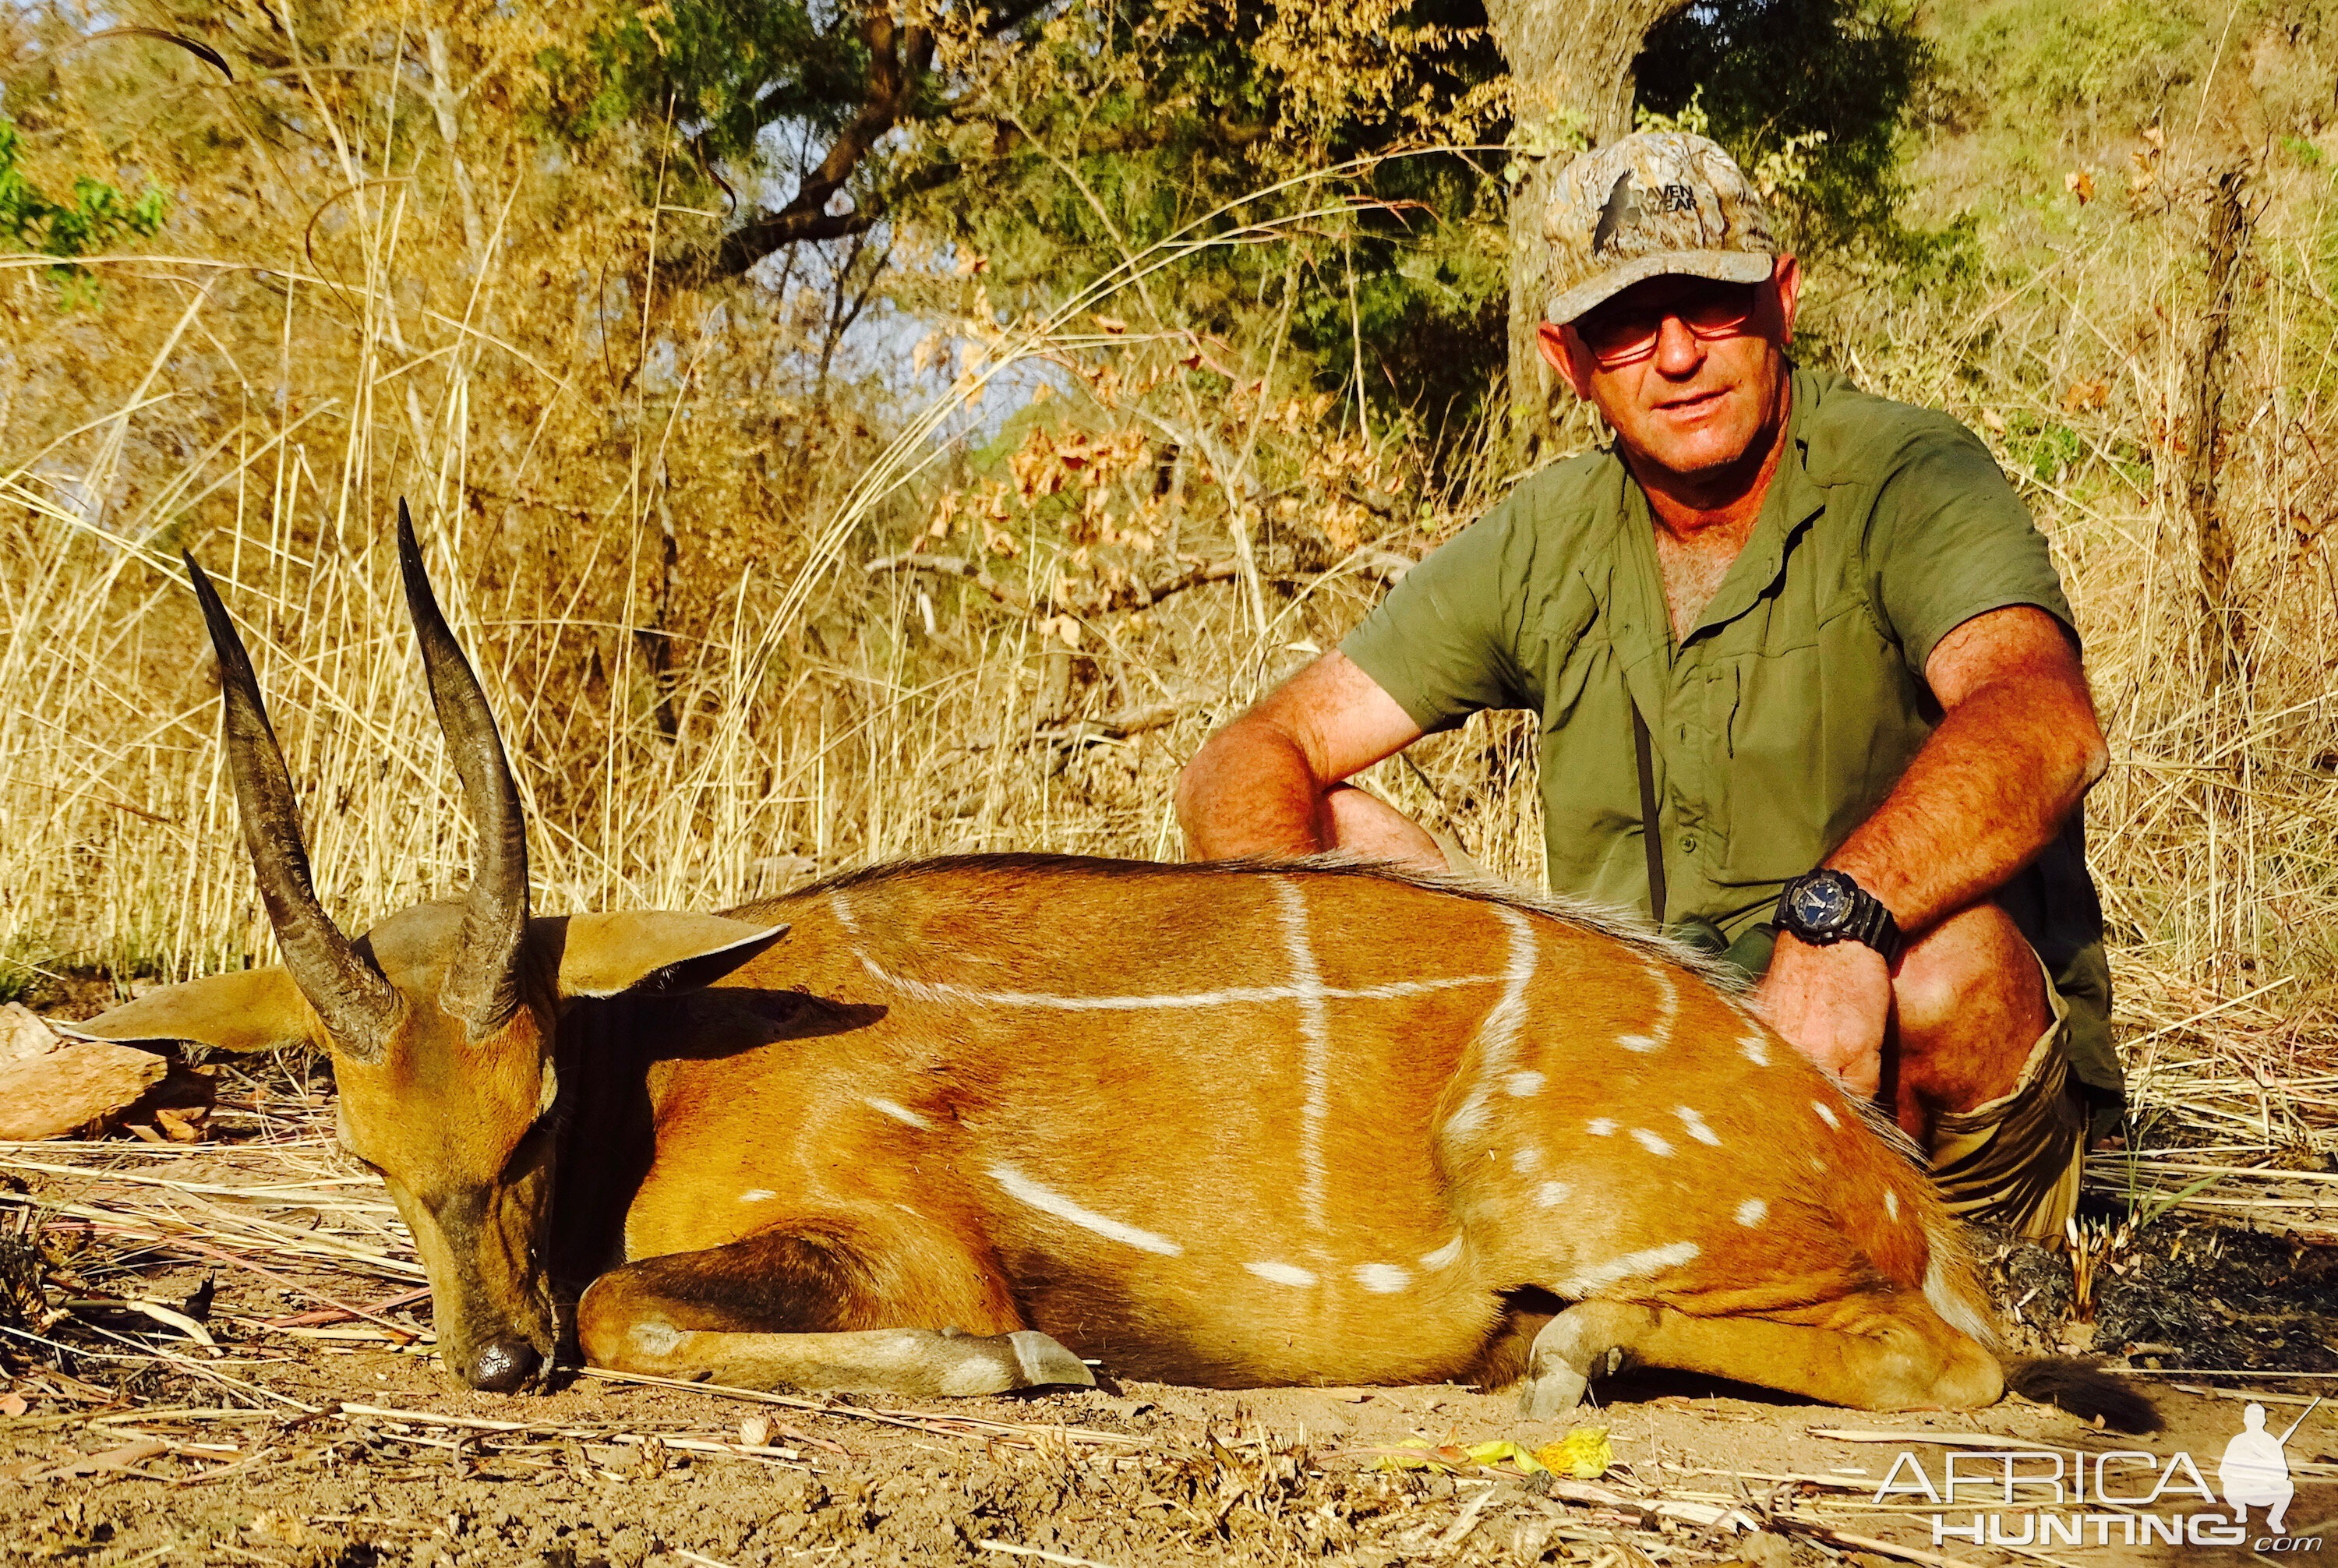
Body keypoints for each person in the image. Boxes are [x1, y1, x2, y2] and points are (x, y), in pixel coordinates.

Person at [1174, 130, 2121, 1241]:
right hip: (1666, 1090)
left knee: (1951, 963)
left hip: (1913, 1116)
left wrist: (1840, 921)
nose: (1677, 354)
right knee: (1324, 823)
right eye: (1627, 323)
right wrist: (1303, 960)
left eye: (1712, 303)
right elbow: (1244, 756)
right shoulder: (1547, 533)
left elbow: (2044, 720)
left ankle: (1957, 1273)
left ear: (1782, 298)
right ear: (1566, 358)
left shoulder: (1909, 473)